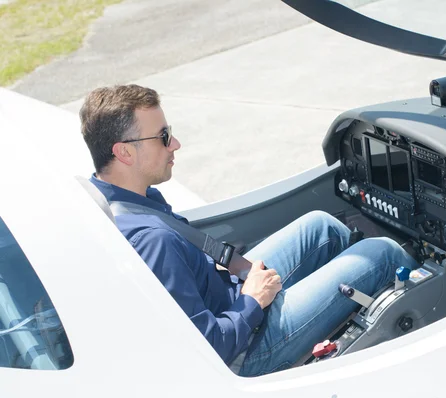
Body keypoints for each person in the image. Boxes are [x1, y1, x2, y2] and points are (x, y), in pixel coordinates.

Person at [81, 84, 419, 376]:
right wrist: (253, 301)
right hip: (245, 350)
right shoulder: (151, 240)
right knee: (382, 254)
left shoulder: (126, 202)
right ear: (124, 152)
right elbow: (209, 349)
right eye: (163, 137)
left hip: (228, 300)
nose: (176, 144)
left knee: (322, 228)